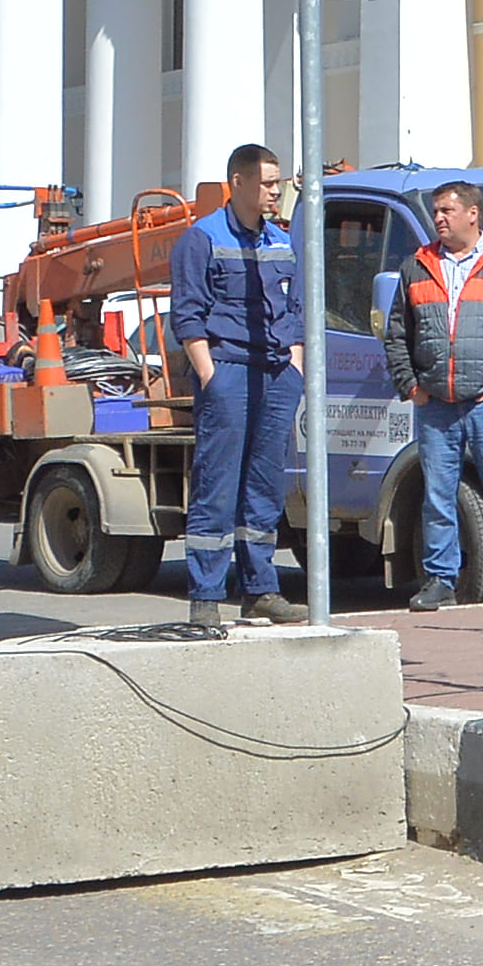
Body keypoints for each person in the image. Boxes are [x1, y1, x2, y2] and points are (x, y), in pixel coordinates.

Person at [384, 177, 483, 611]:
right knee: (438, 497)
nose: (438, 219)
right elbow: (396, 333)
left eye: (446, 211)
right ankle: (440, 579)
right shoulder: (417, 267)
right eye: (436, 212)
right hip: (436, 405)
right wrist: (411, 385)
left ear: (472, 214)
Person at [168, 143, 309, 631]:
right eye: (268, 183)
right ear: (239, 183)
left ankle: (260, 590)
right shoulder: (200, 239)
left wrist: (295, 365)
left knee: (265, 486)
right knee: (218, 483)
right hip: (227, 369)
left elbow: (296, 308)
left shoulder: (280, 239)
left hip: (275, 373)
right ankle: (206, 595)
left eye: (278, 183)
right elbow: (187, 313)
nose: (276, 192)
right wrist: (207, 372)